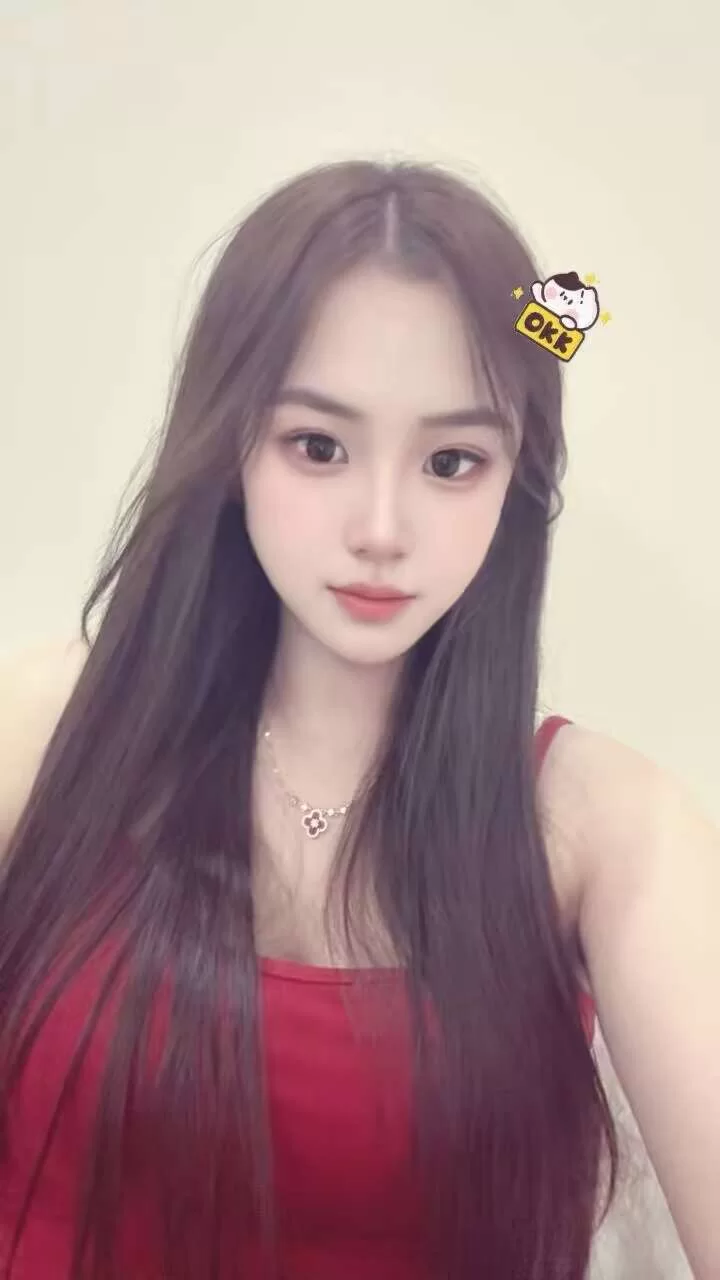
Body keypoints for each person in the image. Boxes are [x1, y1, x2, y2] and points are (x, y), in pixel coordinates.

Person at [0, 160, 717, 1280]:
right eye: (319, 446)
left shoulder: (603, 827)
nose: (381, 527)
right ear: (232, 445)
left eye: (451, 461)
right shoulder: (48, 727)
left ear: (514, 478)